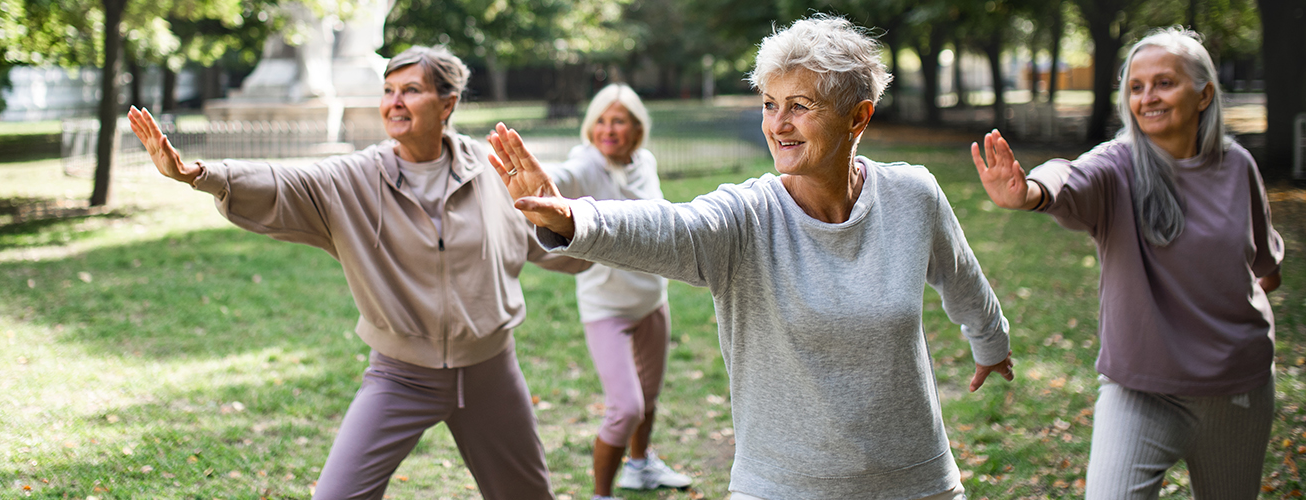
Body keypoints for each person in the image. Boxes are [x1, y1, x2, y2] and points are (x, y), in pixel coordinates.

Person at [488, 15, 1015, 500]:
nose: (777, 124)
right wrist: (572, 219)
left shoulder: (912, 195)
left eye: (800, 106)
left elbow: (961, 275)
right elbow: (671, 228)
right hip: (782, 486)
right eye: (769, 103)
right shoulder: (747, 216)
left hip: (915, 481)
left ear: (859, 117)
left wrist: (990, 340)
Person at [128, 45, 589, 500]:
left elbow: (553, 241)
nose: (394, 102)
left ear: (447, 104)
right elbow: (284, 181)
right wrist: (199, 174)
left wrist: (580, 230)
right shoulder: (355, 177)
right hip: (401, 375)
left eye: (411, 90)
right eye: (388, 90)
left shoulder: (491, 171)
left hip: (491, 369)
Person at [971, 27, 1283, 499]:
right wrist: (1031, 193)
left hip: (1236, 389)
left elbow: (1266, 269)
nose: (1148, 97)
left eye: (1164, 83)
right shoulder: (1118, 166)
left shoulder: (1237, 165)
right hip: (1140, 390)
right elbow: (1069, 175)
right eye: (1136, 87)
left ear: (1204, 95)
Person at [544, 83, 691, 499]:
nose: (608, 130)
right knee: (625, 408)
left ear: (637, 129)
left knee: (648, 398)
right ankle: (601, 494)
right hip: (606, 307)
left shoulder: (645, 162)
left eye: (619, 121)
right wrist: (540, 183)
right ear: (590, 128)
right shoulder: (586, 164)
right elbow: (561, 176)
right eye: (601, 121)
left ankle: (640, 466)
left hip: (651, 300)